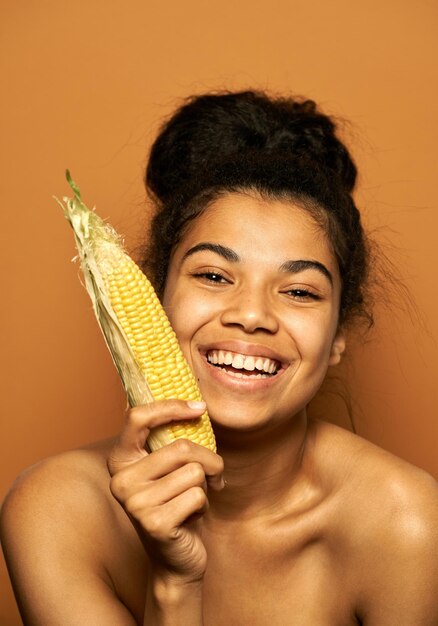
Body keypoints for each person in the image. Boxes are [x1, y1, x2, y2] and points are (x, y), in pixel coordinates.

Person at [1, 90, 437, 625]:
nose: (251, 315)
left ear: (339, 334)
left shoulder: (406, 521)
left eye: (300, 291)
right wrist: (175, 582)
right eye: (212, 276)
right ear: (158, 298)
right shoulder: (56, 511)